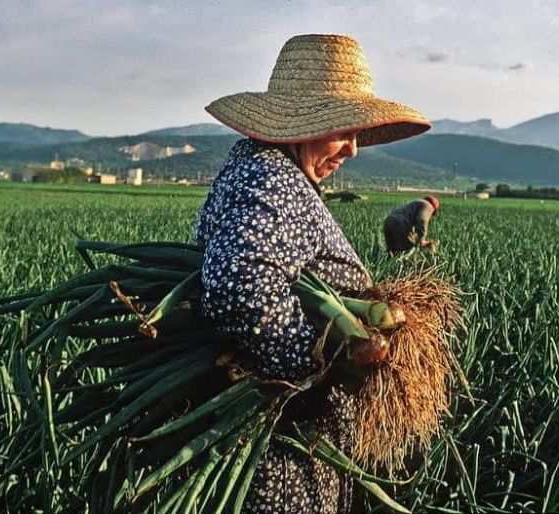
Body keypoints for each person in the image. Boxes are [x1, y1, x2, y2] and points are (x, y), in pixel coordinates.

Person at [192, 34, 430, 514]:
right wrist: (322, 363)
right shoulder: (268, 177)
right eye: (343, 130)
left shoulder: (271, 170)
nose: (353, 150)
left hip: (291, 448)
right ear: (299, 125)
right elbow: (239, 286)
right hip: (280, 461)